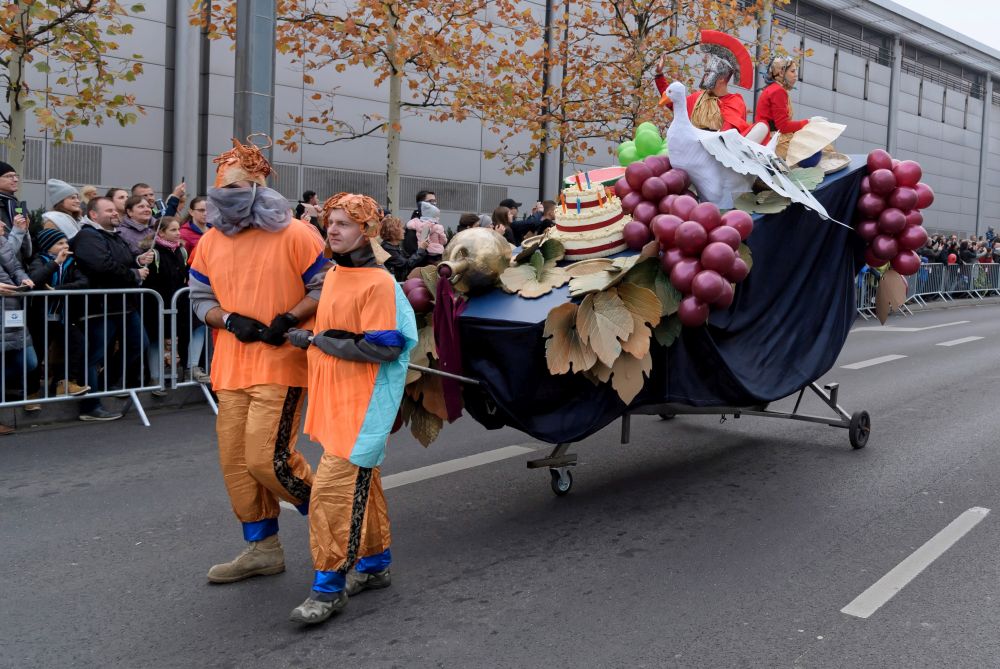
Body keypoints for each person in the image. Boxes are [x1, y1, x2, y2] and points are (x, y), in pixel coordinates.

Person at [189, 136, 327, 586]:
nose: (227, 200)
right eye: (221, 192)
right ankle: (262, 549)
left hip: (281, 363)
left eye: (237, 190)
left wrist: (291, 316)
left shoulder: (297, 234)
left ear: (259, 189)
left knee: (268, 461)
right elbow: (199, 298)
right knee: (236, 464)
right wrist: (227, 320)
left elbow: (324, 287)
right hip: (231, 367)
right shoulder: (208, 242)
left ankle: (342, 515)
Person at [285, 192, 417, 625]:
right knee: (365, 481)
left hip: (364, 403)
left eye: (343, 223)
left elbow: (385, 346)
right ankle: (376, 565)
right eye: (330, 222)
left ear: (368, 230)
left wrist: (319, 340)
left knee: (331, 494)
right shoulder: (335, 273)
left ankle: (328, 588)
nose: (333, 230)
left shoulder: (378, 282)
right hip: (334, 397)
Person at [71, 196, 153, 422]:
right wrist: (134, 274)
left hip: (123, 304)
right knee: (95, 354)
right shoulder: (87, 236)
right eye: (108, 210)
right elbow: (101, 266)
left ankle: (108, 384)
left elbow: (119, 262)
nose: (115, 213)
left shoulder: (113, 236)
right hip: (99, 306)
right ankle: (90, 404)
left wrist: (137, 261)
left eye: (114, 210)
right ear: (93, 215)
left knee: (139, 344)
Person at [655, 32, 768, 142]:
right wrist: (659, 75)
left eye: (709, 73)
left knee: (762, 127)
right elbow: (675, 103)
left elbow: (727, 134)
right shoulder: (698, 97)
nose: (705, 77)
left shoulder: (735, 102)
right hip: (693, 150)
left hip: (717, 154)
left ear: (721, 78)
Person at [26, 228, 92, 407]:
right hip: (39, 318)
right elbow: (35, 279)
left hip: (62, 316)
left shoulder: (72, 262)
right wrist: (55, 263)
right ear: (48, 246)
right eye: (60, 243)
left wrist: (58, 290)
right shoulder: (39, 260)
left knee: (77, 343)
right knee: (37, 355)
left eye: (66, 242)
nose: (66, 246)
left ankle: (66, 383)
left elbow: (83, 283)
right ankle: (30, 394)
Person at [143, 217, 193, 389]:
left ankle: (189, 368)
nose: (178, 233)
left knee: (188, 332)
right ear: (161, 232)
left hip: (179, 303)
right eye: (173, 230)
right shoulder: (153, 252)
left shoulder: (181, 251)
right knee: (156, 338)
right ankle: (156, 379)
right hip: (157, 303)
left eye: (178, 229)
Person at [0, 221, 37, 434]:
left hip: (11, 312)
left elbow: (15, 266)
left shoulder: (3, 242)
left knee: (29, 361)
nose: (3, 224)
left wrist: (25, 279)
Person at [755, 57, 825, 161]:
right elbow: (783, 126)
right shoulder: (778, 91)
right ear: (781, 73)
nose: (796, 74)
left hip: (771, 137)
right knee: (816, 151)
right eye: (792, 71)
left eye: (795, 71)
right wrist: (809, 122)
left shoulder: (774, 89)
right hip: (774, 141)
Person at [0, 161, 33, 268]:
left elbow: (28, 253)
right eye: (9, 176)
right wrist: (18, 230)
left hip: (20, 271)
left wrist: (25, 230)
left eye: (15, 176)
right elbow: (4, 256)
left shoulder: (17, 205)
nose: (16, 179)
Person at [380, 215, 429, 281]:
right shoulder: (387, 248)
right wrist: (421, 249)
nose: (404, 231)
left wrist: (421, 248)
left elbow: (409, 260)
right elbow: (407, 264)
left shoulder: (394, 246)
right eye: (401, 229)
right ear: (393, 231)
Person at [403, 190, 436, 254]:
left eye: (435, 201)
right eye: (430, 201)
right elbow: (412, 251)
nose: (434, 204)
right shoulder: (415, 225)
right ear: (421, 204)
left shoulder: (432, 221)